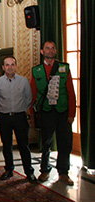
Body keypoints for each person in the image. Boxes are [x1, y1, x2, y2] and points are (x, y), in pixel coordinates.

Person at [31, 41, 76, 185]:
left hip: (62, 111)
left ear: (55, 51)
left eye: (52, 48)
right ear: (42, 52)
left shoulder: (64, 68)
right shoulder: (36, 71)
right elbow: (33, 95)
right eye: (47, 48)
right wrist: (32, 115)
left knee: (65, 143)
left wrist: (72, 114)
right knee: (46, 143)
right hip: (46, 112)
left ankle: (63, 172)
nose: (50, 50)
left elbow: (71, 92)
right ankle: (44, 170)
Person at [0, 56, 37, 183]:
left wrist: (19, 109)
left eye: (12, 64)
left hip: (20, 117)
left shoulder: (23, 81)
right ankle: (9, 170)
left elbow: (29, 99)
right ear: (3, 67)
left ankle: (29, 172)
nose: (10, 67)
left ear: (16, 66)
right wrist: (3, 110)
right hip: (4, 117)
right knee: (7, 146)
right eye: (7, 65)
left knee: (24, 146)